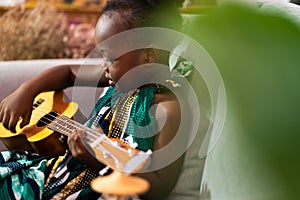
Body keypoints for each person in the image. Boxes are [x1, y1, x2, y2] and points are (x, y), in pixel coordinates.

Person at [0, 0, 194, 199]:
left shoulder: (168, 109)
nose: (103, 67)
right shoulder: (121, 79)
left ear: (149, 55)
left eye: (110, 59)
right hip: (56, 168)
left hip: (86, 188)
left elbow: (159, 188)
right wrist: (26, 91)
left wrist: (98, 159)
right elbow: (68, 73)